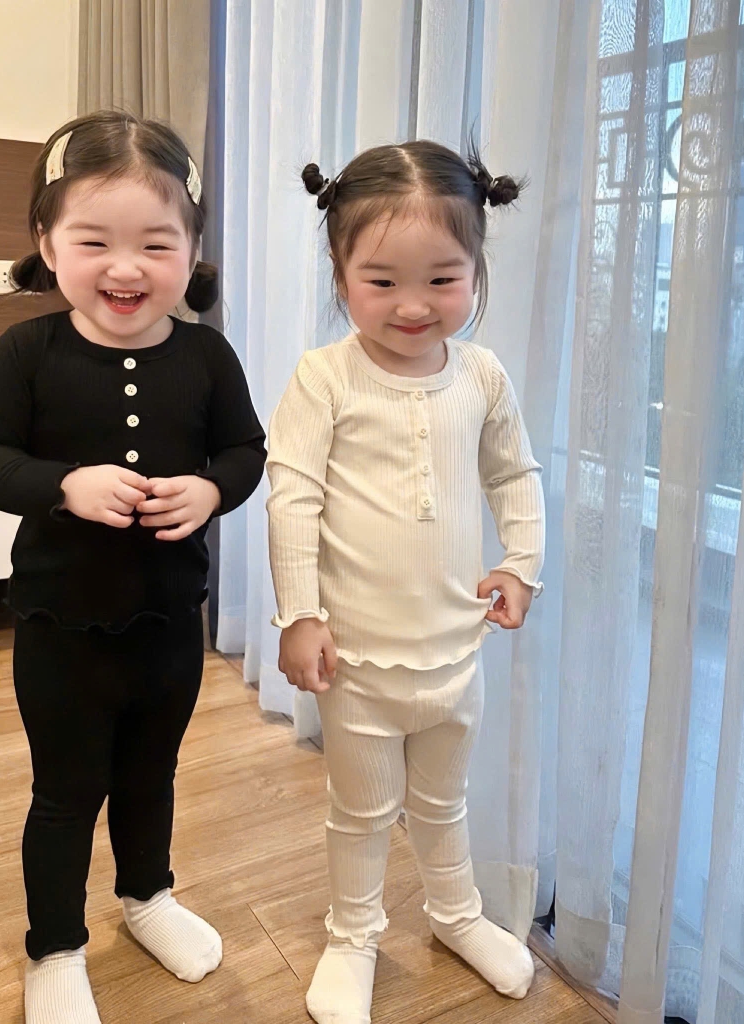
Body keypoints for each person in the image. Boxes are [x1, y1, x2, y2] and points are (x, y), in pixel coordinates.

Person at [0, 110, 265, 1024]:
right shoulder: (27, 352)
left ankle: (147, 896)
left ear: (193, 250)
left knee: (150, 774)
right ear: (47, 242)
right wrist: (63, 485)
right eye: (94, 241)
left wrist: (211, 491)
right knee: (65, 793)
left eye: (156, 244)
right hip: (60, 627)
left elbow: (245, 451)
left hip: (170, 622)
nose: (126, 268)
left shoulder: (208, 354)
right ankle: (54, 946)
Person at [266, 140, 546, 1024]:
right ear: (340, 273)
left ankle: (456, 915)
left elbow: (515, 475)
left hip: (457, 651)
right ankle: (353, 935)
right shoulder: (324, 377)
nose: (414, 306)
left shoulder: (483, 376)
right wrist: (299, 614)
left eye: (443, 279)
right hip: (358, 660)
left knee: (443, 801)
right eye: (382, 281)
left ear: (476, 270)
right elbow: (293, 497)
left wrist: (522, 563)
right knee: (361, 810)